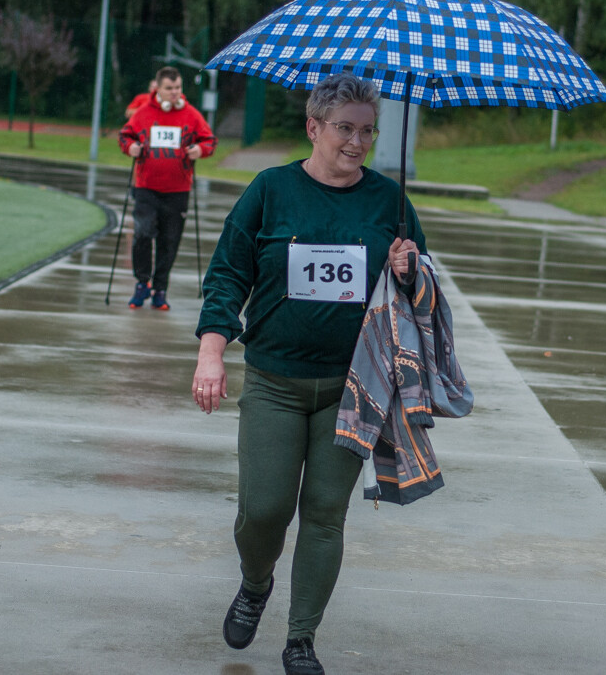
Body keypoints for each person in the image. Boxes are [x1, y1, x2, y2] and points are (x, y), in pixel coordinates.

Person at [192, 72, 425, 675]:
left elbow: (421, 299)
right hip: (274, 380)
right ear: (313, 127)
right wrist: (212, 352)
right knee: (264, 509)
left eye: (367, 131)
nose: (357, 142)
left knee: (325, 513)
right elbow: (226, 277)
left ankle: (301, 639)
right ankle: (255, 580)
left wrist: (407, 269)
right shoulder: (270, 191)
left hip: (353, 388)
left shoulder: (390, 202)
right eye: (345, 128)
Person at [117, 67, 217, 310]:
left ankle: (160, 289)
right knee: (142, 233)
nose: (175, 93)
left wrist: (199, 150)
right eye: (169, 89)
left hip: (178, 190)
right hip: (146, 187)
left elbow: (209, 141)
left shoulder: (192, 115)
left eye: (178, 88)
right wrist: (130, 147)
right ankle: (142, 283)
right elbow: (124, 136)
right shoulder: (143, 113)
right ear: (158, 89)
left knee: (169, 240)